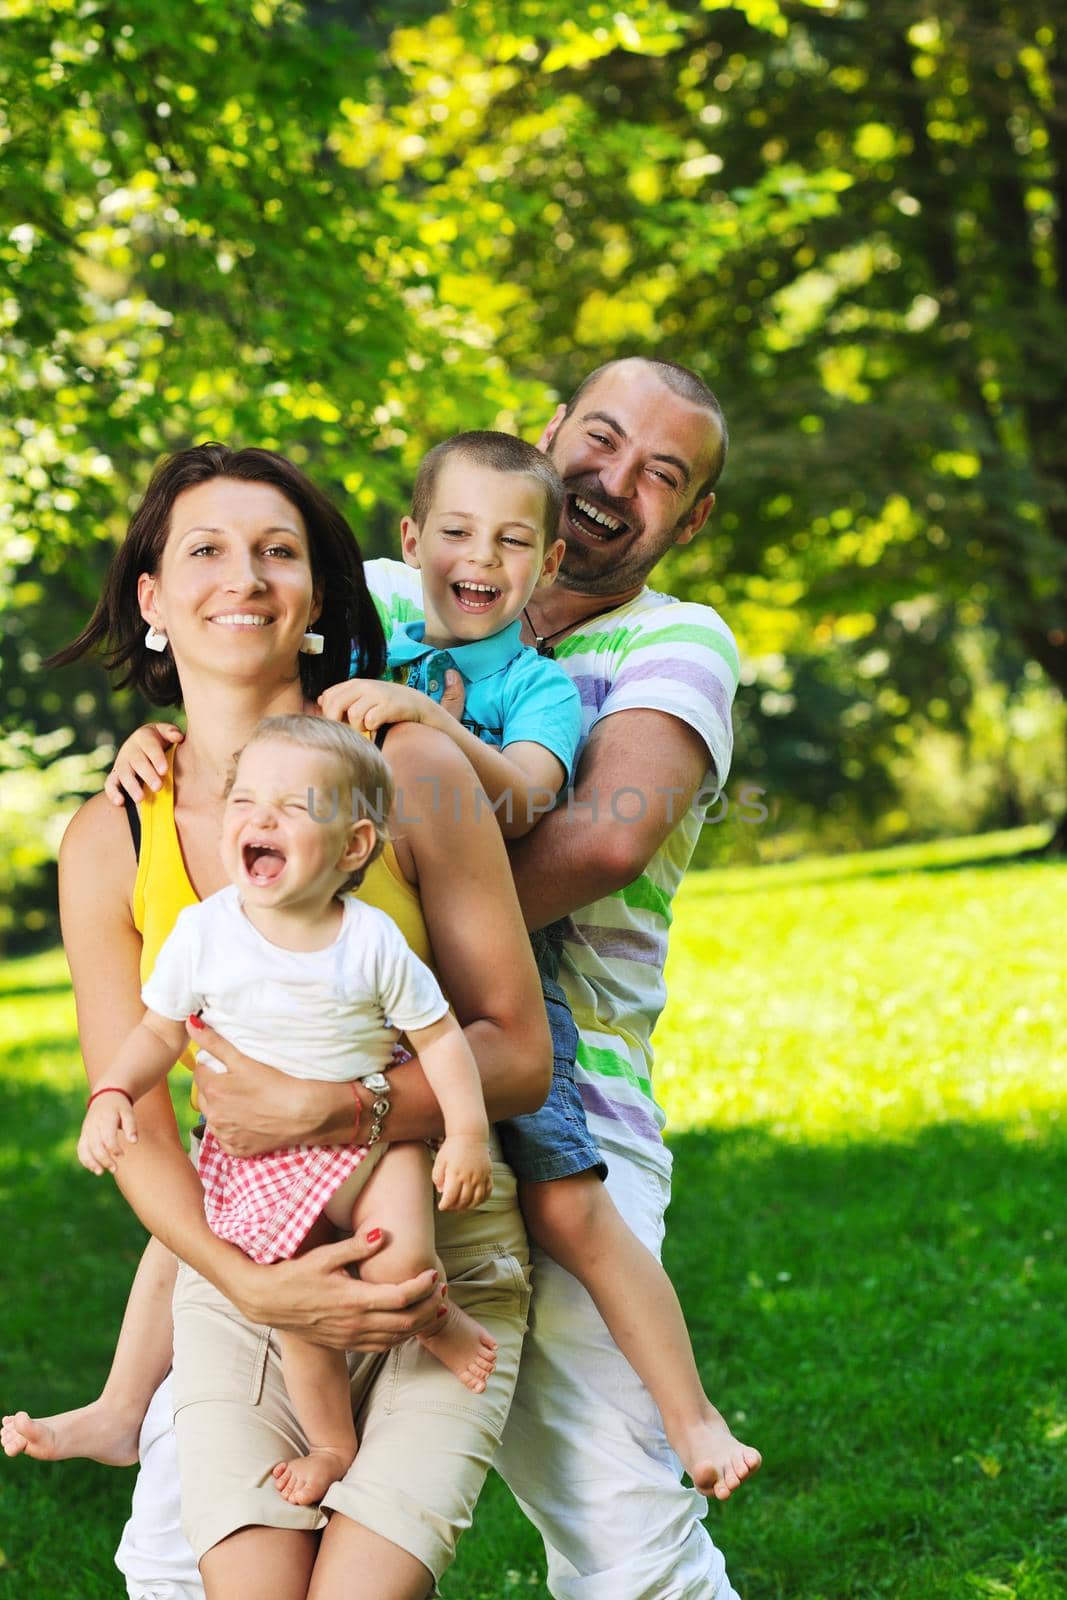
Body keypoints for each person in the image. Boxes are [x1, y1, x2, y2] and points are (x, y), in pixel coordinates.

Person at [22, 356, 747, 1598]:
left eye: (661, 473)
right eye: (601, 439)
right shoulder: (390, 612)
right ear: (548, 433)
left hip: (534, 1112)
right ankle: (127, 1403)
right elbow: (139, 1086)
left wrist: (346, 954)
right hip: (264, 1180)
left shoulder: (641, 656)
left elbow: (603, 840)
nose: (612, 481)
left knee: (622, 1535)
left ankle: (685, 1431)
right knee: (174, 1555)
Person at [2, 443, 548, 1600]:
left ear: (314, 596)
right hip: (241, 1270)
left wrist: (333, 1106)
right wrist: (245, 1284)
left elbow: (514, 1047)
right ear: (151, 600)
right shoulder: (110, 837)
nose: (242, 576)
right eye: (204, 550)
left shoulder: (409, 771)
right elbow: (136, 1111)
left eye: (277, 551)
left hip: (432, 1258)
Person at [322, 428, 759, 1499]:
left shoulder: (537, 683)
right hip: (352, 985)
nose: (481, 556)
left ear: (547, 560)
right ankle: (311, 1430)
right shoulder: (364, 626)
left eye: (513, 540)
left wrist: (432, 724)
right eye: (458, 533)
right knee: (277, 1197)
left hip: (500, 981)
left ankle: (692, 1416)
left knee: (566, 1202)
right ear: (412, 539)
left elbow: (523, 794)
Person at [77, 715, 499, 1508]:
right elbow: (156, 1031)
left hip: (375, 1146)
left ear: (352, 846)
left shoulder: (369, 940)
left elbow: (440, 1041)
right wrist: (111, 1093)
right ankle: (333, 1444)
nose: (260, 819)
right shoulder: (204, 933)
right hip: (264, 1159)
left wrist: (466, 1135)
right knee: (307, 1310)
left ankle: (441, 1325)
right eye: (244, 800)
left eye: (294, 806)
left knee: (400, 1264)